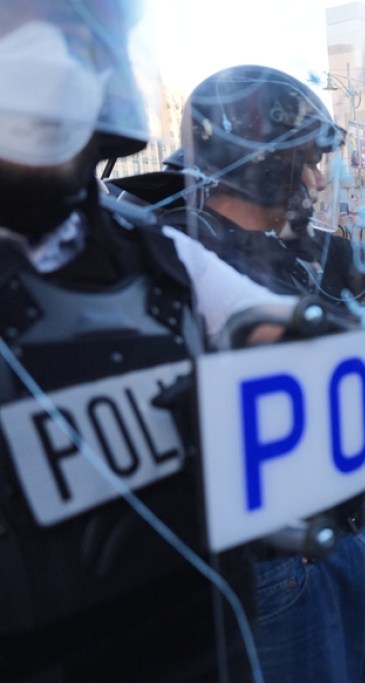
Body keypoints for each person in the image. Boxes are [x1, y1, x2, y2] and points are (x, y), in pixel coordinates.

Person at [0, 8, 301, 680]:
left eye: (73, 35)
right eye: (14, 28)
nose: (45, 59)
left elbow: (299, 343)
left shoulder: (156, 253)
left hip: (199, 644)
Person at [179, 64, 365, 682]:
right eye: (306, 160)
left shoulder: (315, 250)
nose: (320, 179)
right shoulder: (182, 260)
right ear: (264, 163)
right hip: (274, 558)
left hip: (359, 521)